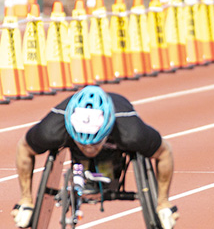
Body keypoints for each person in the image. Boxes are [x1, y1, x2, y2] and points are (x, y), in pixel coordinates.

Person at [12, 85, 178, 229]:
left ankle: (104, 173)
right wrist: (26, 200)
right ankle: (87, 172)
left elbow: (164, 152)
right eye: (82, 143)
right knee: (85, 159)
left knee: (109, 169)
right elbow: (24, 148)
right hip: (75, 138)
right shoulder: (52, 129)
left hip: (113, 148)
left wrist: (163, 202)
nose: (88, 149)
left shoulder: (131, 132)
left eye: (94, 143)